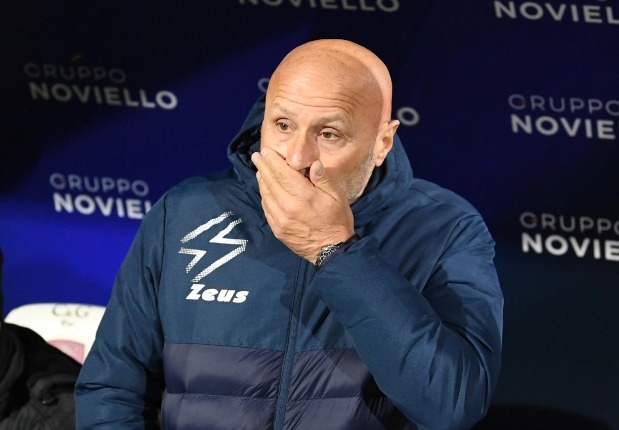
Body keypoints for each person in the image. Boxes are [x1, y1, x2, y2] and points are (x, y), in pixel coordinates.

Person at [75, 39, 503, 429]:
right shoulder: (185, 212)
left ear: (382, 143)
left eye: (329, 134)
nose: (297, 157)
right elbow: (111, 389)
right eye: (282, 125)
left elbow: (453, 404)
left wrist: (337, 250)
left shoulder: (445, 228)